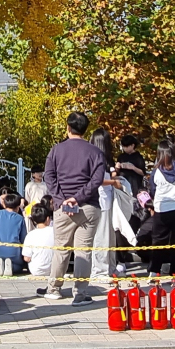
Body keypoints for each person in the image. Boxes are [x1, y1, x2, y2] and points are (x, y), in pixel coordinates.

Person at [42, 110, 109, 304]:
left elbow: (49, 176)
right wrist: (78, 198)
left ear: (68, 127)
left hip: (63, 207)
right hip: (88, 207)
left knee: (61, 248)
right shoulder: (96, 152)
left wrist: (62, 199)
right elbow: (96, 181)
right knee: (84, 250)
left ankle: (54, 288)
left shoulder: (56, 150)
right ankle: (80, 293)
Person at [140, 143, 175, 277]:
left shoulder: (156, 171)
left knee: (158, 241)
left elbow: (152, 190)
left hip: (162, 209)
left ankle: (154, 271)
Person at [22, 203, 57, 280]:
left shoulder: (30, 235)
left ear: (34, 221)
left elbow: (26, 258)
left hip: (36, 271)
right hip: (55, 270)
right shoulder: (55, 232)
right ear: (48, 219)